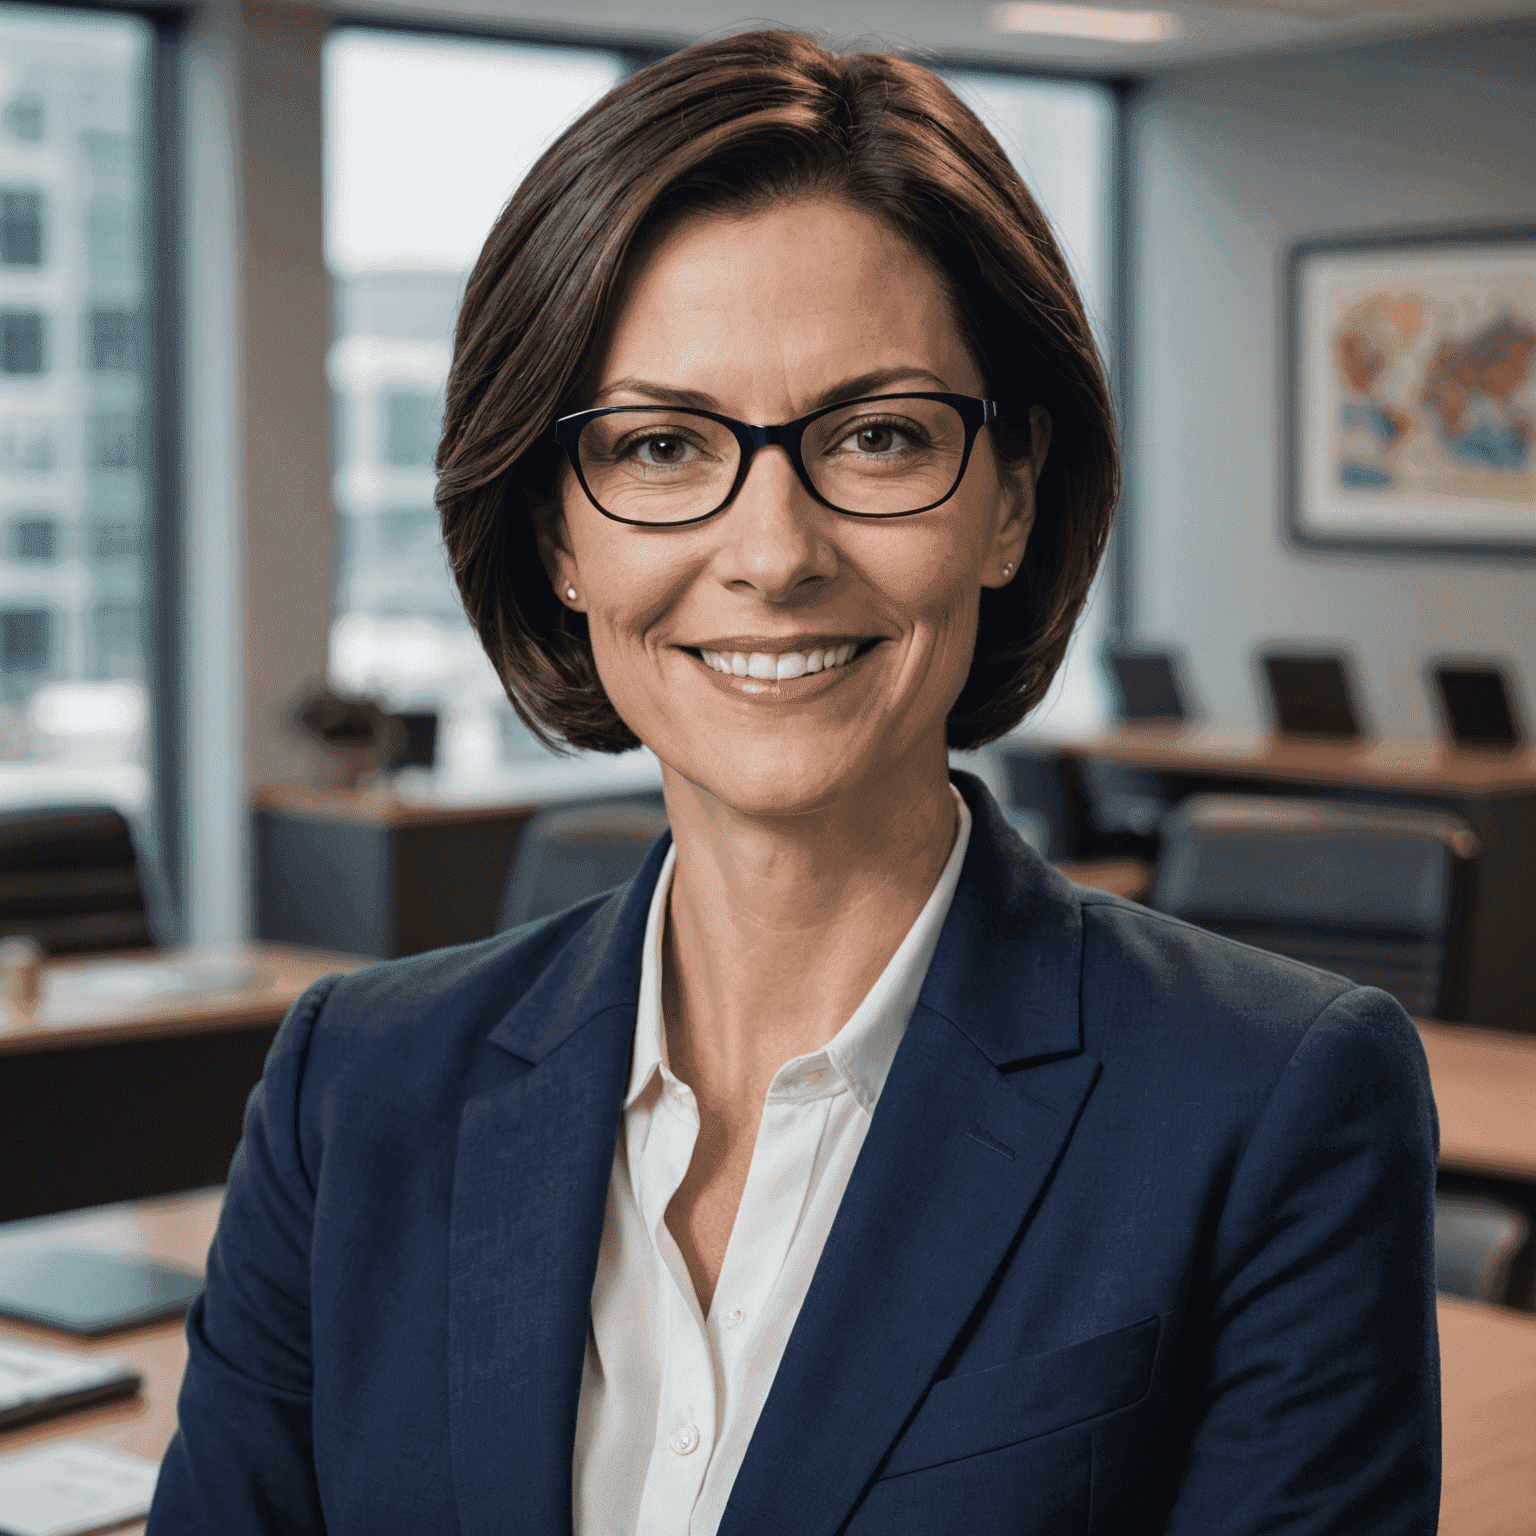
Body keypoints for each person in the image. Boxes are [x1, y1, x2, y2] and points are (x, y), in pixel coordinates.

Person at [147, 29, 1438, 1536]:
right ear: (560, 533)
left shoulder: (1272, 1102)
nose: (772, 554)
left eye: (880, 436)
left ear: (1010, 498)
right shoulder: (354, 1087)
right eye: (660, 445)